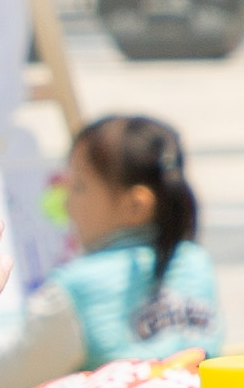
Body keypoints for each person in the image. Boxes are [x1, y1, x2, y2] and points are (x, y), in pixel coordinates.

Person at [42, 112, 219, 363]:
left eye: (79, 187)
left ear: (136, 206)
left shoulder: (76, 286)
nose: (67, 203)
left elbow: (6, 374)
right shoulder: (196, 262)